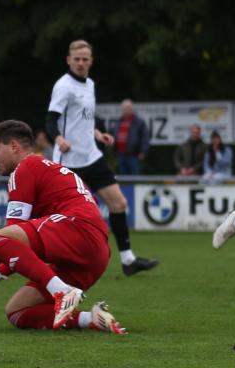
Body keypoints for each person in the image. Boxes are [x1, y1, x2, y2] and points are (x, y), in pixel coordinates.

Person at [0, 120, 126, 334]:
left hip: (76, 228)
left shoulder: (26, 167)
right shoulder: (43, 167)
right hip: (94, 252)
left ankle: (61, 291)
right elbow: (16, 250)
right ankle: (91, 318)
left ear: (14, 146)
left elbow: (8, 241)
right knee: (17, 311)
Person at [46, 40, 159, 276]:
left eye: (85, 59)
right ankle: (49, 263)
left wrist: (98, 133)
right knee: (64, 218)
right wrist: (59, 140)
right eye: (76, 58)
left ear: (91, 61)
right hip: (68, 162)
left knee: (119, 204)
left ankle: (128, 261)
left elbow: (84, 118)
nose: (80, 63)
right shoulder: (63, 86)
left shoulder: (90, 84)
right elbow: (50, 120)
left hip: (92, 156)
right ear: (68, 59)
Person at [109, 99, 149, 176]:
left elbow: (145, 138)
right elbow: (113, 135)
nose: (126, 111)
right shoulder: (118, 122)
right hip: (120, 155)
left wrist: (143, 152)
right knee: (123, 178)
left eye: (128, 109)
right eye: (124, 109)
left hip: (134, 155)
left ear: (132, 109)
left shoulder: (139, 122)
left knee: (135, 177)